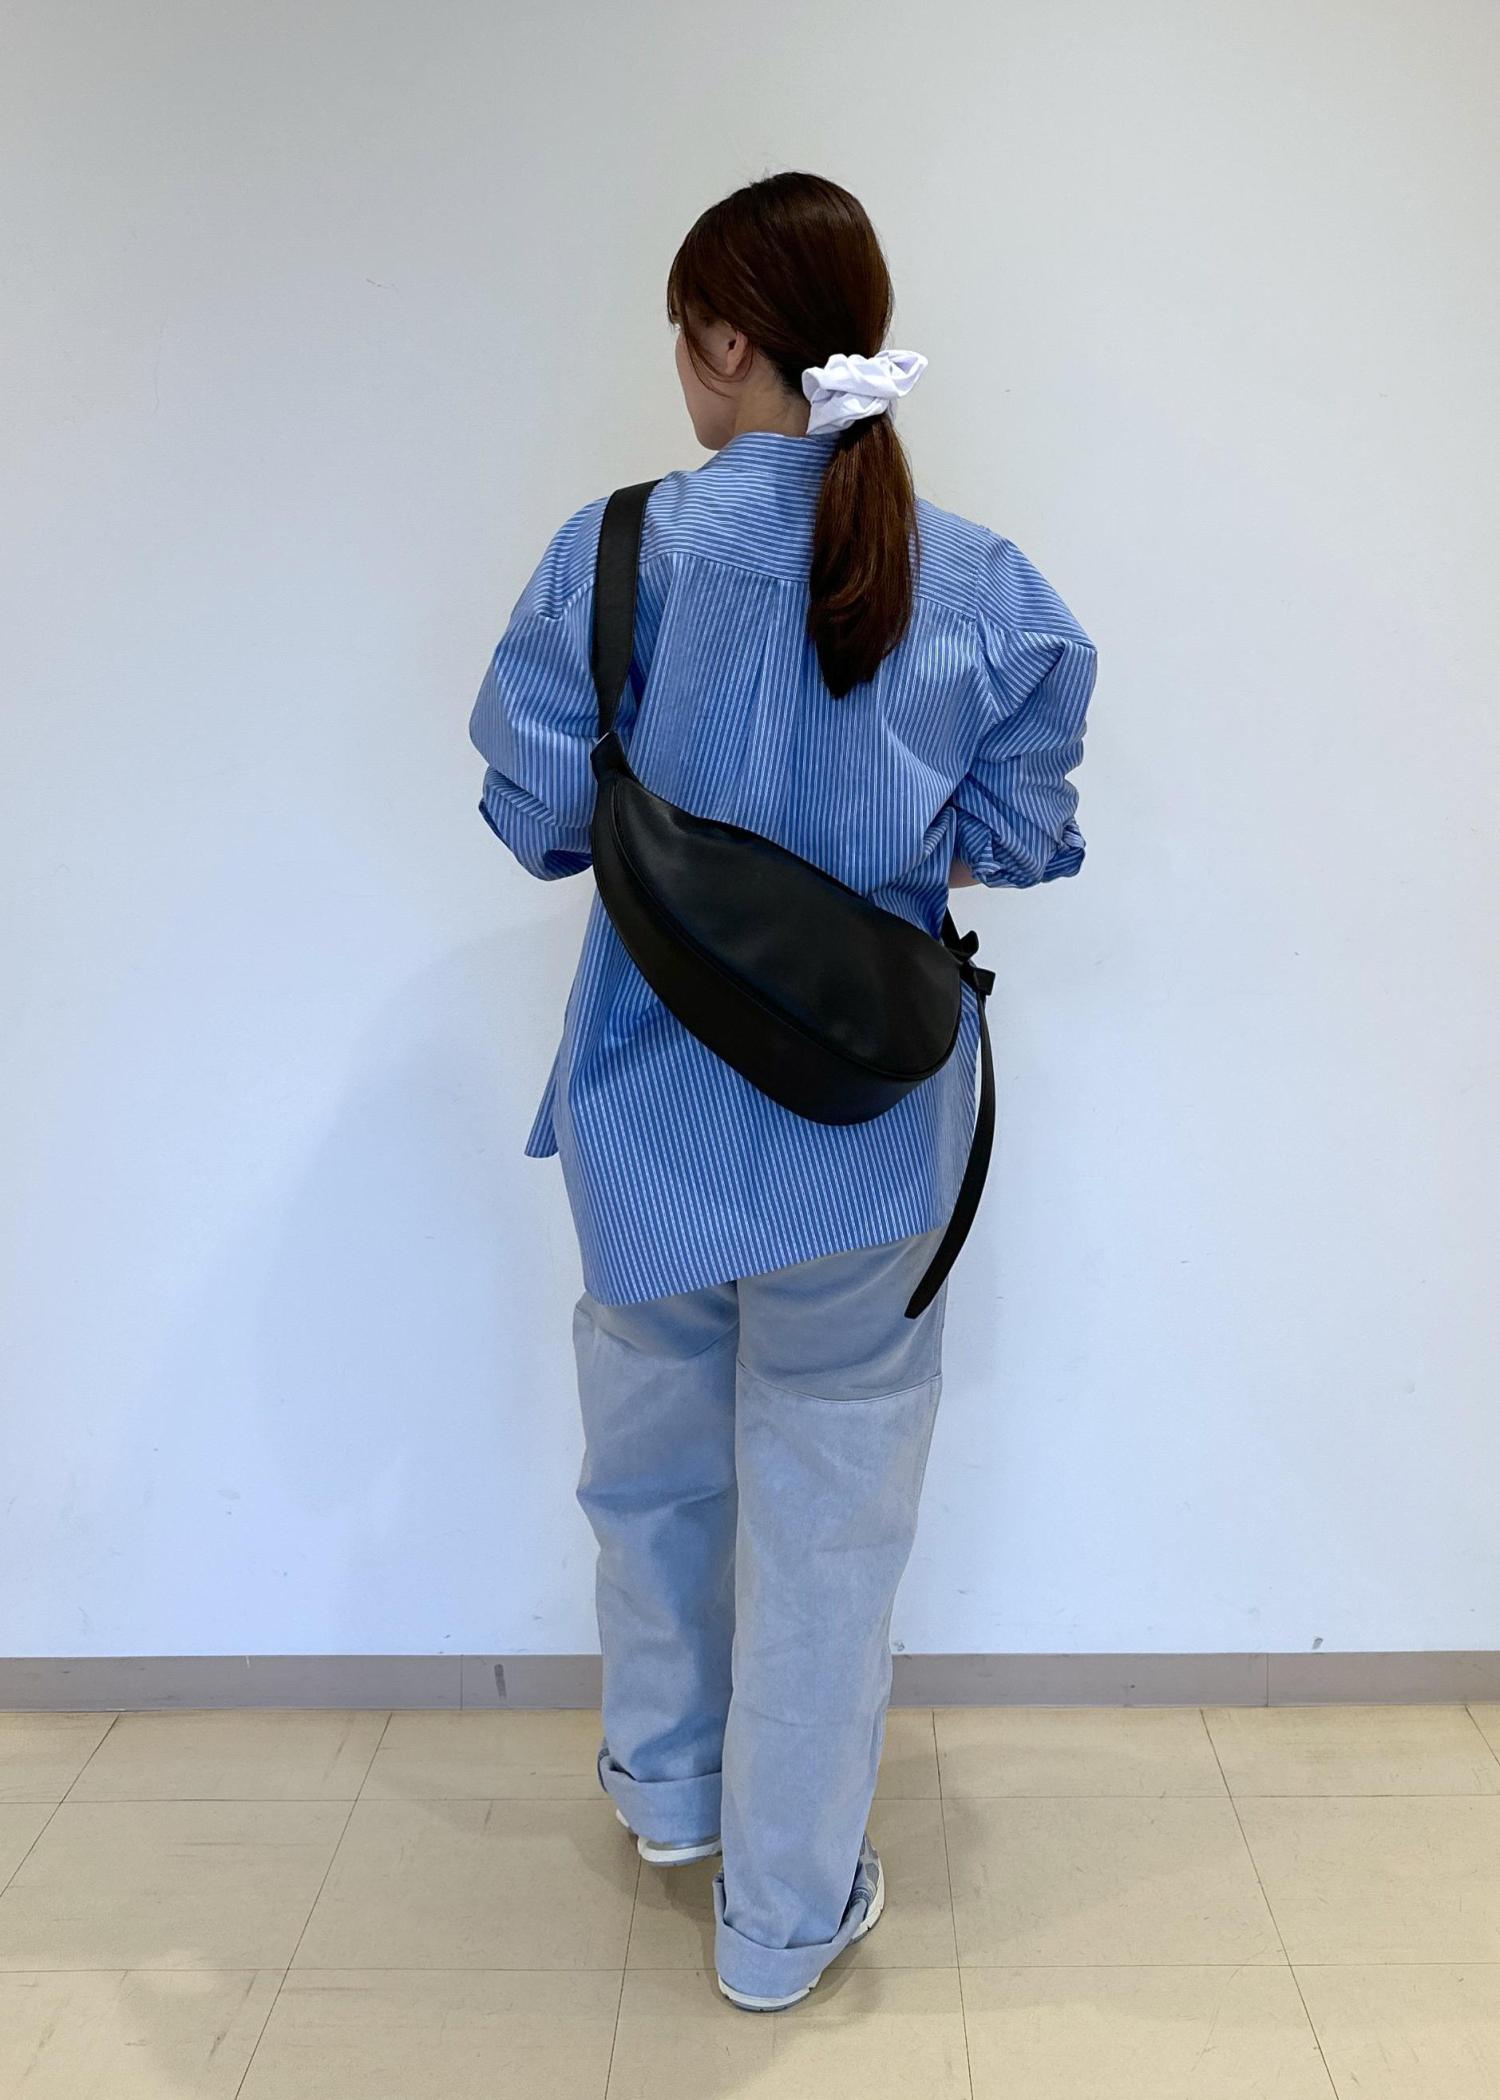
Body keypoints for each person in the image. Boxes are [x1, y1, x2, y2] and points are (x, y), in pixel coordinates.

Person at [468, 170, 1097, 2011]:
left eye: (682, 335)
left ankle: (672, 1800)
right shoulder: (981, 581)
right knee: (829, 1525)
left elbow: (535, 819)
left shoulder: (612, 556)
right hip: (867, 1138)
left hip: (644, 1114)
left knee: (652, 1473)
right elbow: (1021, 837)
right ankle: (782, 1923)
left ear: (725, 341)